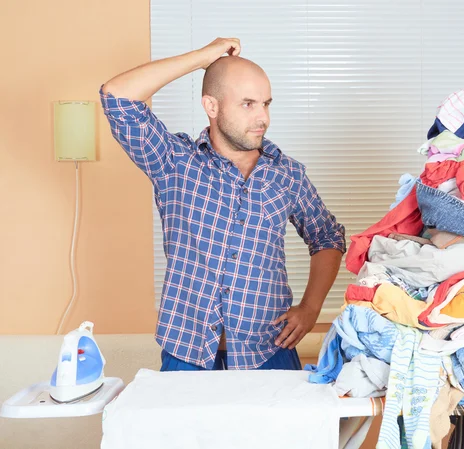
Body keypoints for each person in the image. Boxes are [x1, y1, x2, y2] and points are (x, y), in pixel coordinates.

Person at [100, 38, 346, 371]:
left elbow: (327, 237)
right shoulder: (175, 162)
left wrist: (311, 308)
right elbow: (117, 96)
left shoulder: (287, 175)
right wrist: (203, 57)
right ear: (212, 106)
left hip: (268, 355)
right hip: (186, 355)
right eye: (248, 104)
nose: (263, 118)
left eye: (266, 104)